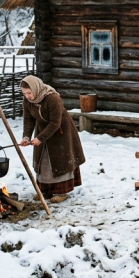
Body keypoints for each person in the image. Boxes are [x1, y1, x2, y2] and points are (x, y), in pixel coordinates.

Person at [20, 75, 85, 203]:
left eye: (29, 92)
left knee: (59, 159)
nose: (27, 96)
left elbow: (55, 122)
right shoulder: (28, 101)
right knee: (43, 159)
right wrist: (26, 136)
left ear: (36, 88)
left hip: (61, 130)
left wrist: (40, 138)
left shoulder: (52, 98)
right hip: (42, 129)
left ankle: (61, 192)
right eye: (24, 93)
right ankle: (45, 191)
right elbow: (29, 120)